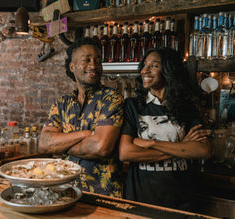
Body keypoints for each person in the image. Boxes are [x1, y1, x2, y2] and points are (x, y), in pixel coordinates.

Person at [119, 47, 211, 210]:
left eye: (153, 66)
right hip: (141, 198)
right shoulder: (133, 106)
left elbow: (202, 150)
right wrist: (182, 146)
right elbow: (126, 152)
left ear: (169, 70)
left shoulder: (186, 107)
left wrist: (151, 143)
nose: (145, 70)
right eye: (144, 65)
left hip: (180, 199)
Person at [39, 38, 124, 197]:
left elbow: (101, 147)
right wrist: (85, 134)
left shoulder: (111, 99)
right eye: (87, 60)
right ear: (72, 66)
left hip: (103, 194)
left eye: (98, 61)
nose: (94, 65)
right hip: (65, 191)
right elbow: (44, 144)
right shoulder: (62, 104)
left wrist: (62, 146)